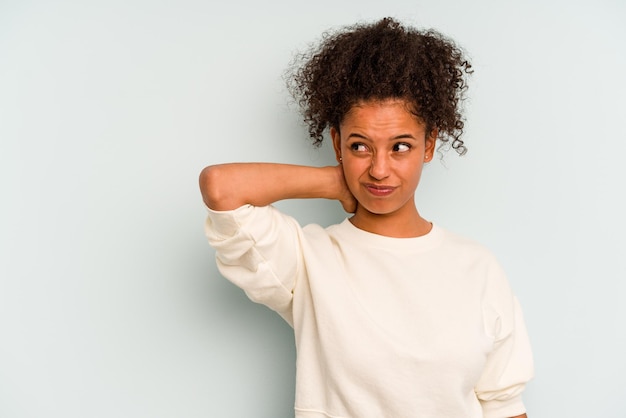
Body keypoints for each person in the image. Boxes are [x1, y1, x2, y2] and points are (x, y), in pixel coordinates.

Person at [199, 17, 533, 418]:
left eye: (400, 147)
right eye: (360, 146)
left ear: (429, 145)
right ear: (337, 143)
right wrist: (335, 183)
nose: (379, 169)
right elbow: (221, 187)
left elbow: (503, 405)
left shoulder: (477, 267)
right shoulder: (307, 260)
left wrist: (352, 170)